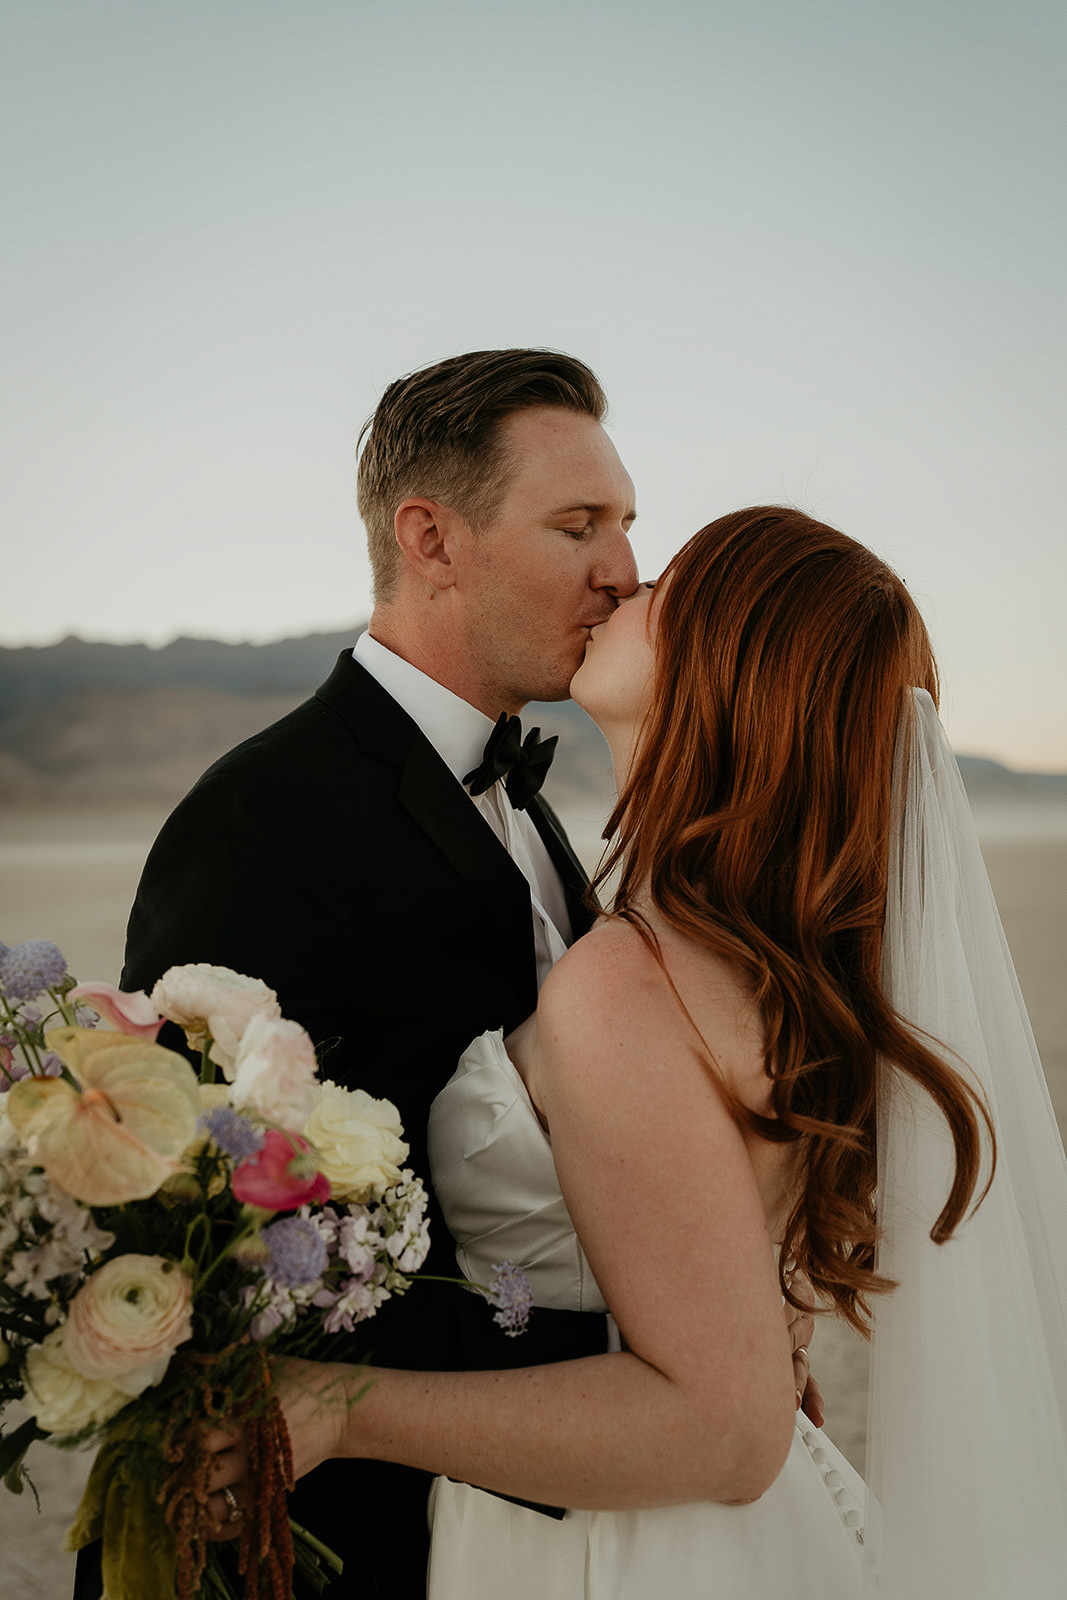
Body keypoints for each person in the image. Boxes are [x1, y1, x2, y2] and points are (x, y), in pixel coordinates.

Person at [206, 507, 1067, 1597]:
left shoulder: (634, 980)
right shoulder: (752, 959)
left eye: (667, 582)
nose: (623, 586)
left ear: (723, 664)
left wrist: (337, 1405)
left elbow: (724, 1430)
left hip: (613, 1549)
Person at [72, 352, 815, 1600]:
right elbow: (207, 1240)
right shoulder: (266, 818)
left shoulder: (536, 815)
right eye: (576, 524)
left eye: (625, 525)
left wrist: (710, 1327)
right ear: (432, 538)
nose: (621, 568)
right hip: (327, 1545)